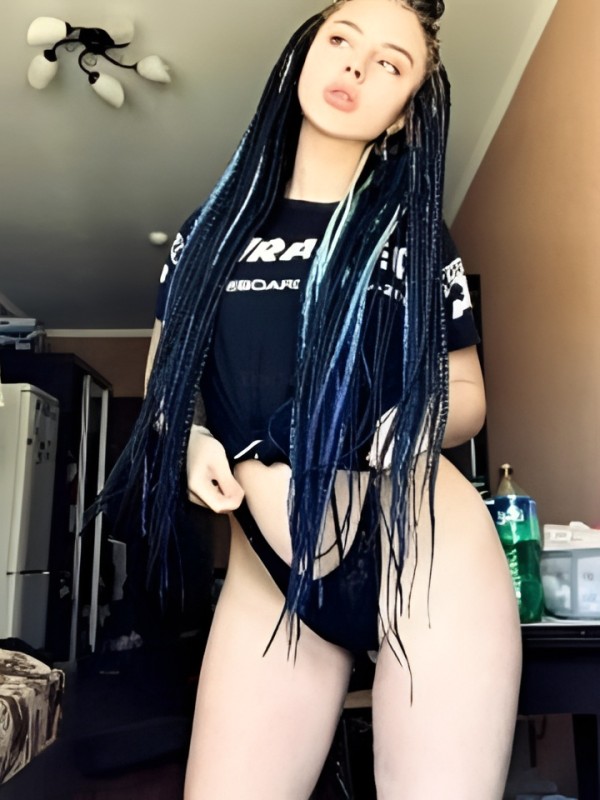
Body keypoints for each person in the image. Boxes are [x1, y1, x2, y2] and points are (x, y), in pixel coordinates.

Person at [99, 0, 522, 796]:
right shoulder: (209, 232)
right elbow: (165, 386)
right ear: (305, 54)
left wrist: (420, 419)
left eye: (391, 63)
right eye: (341, 39)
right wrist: (188, 441)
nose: (357, 64)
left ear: (404, 114)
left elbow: (467, 391)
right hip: (271, 581)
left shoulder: (415, 232)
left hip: (425, 555)